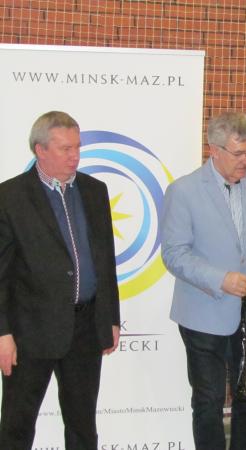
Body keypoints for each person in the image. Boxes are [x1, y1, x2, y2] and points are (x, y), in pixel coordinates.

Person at [160, 111, 246, 450]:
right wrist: (221, 279)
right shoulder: (183, 191)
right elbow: (174, 254)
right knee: (208, 402)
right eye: (239, 153)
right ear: (214, 150)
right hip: (202, 313)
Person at [0, 111, 120, 449]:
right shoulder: (10, 196)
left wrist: (110, 317)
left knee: (83, 426)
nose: (75, 156)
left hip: (85, 328)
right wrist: (3, 333)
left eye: (77, 147)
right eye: (65, 148)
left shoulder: (95, 191)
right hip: (29, 331)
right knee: (17, 426)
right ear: (40, 150)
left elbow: (105, 260)